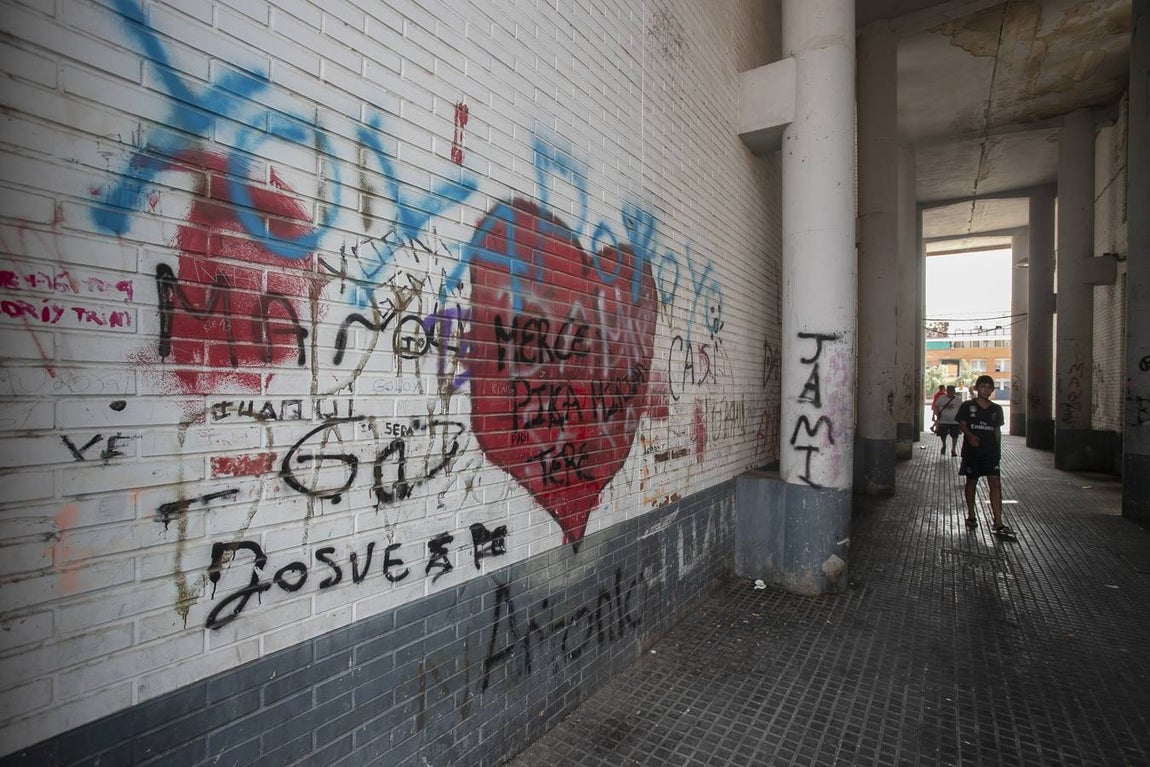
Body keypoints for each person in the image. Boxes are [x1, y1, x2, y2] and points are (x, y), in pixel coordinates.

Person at [958, 374, 1013, 537]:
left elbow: (997, 430)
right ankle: (971, 513)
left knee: (995, 482)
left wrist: (997, 449)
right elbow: (962, 423)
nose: (986, 390)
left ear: (992, 390)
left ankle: (998, 521)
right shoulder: (967, 406)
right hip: (972, 451)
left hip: (990, 452)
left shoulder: (997, 409)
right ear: (976, 388)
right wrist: (970, 435)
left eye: (989, 388)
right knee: (972, 482)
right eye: (982, 387)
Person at [932, 384, 961, 455]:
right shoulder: (941, 398)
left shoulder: (958, 399)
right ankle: (944, 445)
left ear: (954, 391)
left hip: (955, 421)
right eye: (950, 391)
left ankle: (953, 449)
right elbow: (936, 406)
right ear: (947, 391)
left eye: (952, 391)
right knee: (943, 434)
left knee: (955, 436)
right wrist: (937, 413)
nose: (951, 392)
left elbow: (961, 409)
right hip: (943, 420)